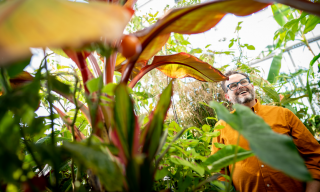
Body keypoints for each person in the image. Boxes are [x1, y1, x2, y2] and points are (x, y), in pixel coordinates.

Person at [211, 71, 320, 192]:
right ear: (227, 96)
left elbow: (314, 157)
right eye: (232, 85)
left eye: (243, 82)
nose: (240, 86)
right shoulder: (221, 127)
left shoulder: (283, 114)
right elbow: (219, 171)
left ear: (252, 87)